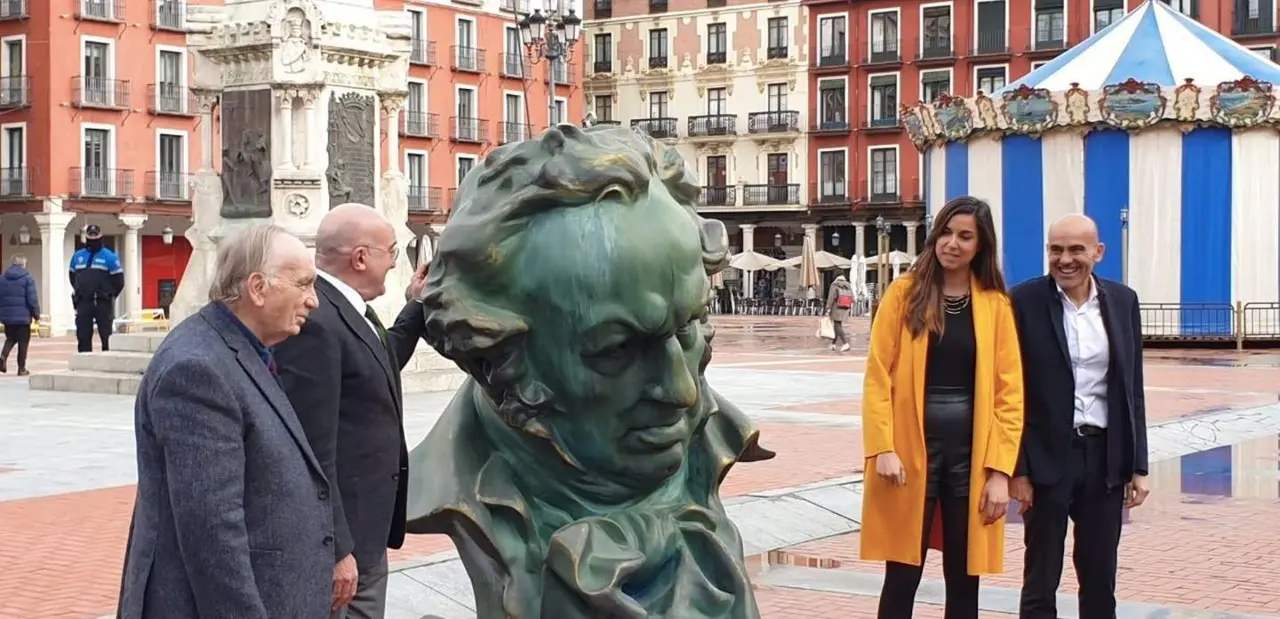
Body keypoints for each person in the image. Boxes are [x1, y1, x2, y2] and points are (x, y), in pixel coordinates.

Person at [403, 124, 775, 619]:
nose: (683, 392)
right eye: (618, 348)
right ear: (501, 358)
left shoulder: (708, 439)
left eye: (687, 328)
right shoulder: (450, 484)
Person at [116, 224, 334, 619]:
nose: (313, 301)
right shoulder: (198, 369)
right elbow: (211, 534)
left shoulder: (241, 350)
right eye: (303, 284)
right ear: (257, 287)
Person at [860, 196, 1025, 619]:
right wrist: (883, 448)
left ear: (981, 246)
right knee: (901, 574)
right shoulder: (905, 295)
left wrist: (999, 473)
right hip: (909, 453)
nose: (952, 243)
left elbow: (1010, 395)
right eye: (946, 232)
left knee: (964, 577)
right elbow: (878, 375)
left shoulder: (996, 305)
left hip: (970, 456)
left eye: (965, 236)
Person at [274, 203, 431, 618]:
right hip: (342, 547)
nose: (394, 262)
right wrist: (337, 548)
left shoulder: (345, 308)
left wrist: (415, 305)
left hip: (365, 532)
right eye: (392, 252)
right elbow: (310, 451)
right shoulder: (317, 321)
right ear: (361, 257)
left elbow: (376, 364)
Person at [1010, 213, 1150, 619]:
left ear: (1098, 253)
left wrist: (1138, 466)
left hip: (1105, 458)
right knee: (1041, 578)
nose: (1065, 259)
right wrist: (1017, 469)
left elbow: (1131, 389)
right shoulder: (1023, 301)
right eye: (1056, 249)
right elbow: (1010, 391)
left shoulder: (1123, 301)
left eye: (1076, 250)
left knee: (1100, 578)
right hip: (1046, 459)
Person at [69, 224, 123, 352]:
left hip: (102, 302)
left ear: (100, 237)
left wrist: (110, 294)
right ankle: (84, 364)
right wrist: (80, 290)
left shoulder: (110, 256)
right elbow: (72, 277)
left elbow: (119, 281)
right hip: (83, 302)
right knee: (82, 335)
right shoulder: (77, 256)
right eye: (90, 235)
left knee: (106, 336)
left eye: (95, 235)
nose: (93, 238)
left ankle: (107, 361)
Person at [0, 254, 39, 375]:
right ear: (23, 264)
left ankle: (3, 356)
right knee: (23, 342)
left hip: (6, 317)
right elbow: (32, 299)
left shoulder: (2, 278)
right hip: (23, 318)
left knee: (10, 338)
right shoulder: (28, 279)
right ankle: (21, 368)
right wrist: (36, 314)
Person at [825, 274, 854, 352]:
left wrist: (828, 308)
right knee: (837, 325)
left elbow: (831, 297)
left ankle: (845, 343)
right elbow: (853, 298)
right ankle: (833, 344)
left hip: (836, 307)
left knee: (837, 325)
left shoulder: (834, 285)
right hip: (845, 307)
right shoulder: (848, 285)